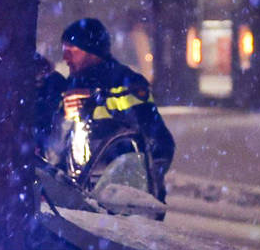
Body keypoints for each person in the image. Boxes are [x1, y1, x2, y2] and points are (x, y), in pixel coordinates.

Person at [51, 17, 175, 196]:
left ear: (91, 51)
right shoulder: (72, 84)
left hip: (123, 201)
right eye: (64, 50)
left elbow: (159, 141)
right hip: (83, 198)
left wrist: (97, 96)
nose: (65, 58)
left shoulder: (127, 81)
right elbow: (59, 143)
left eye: (72, 50)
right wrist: (64, 114)